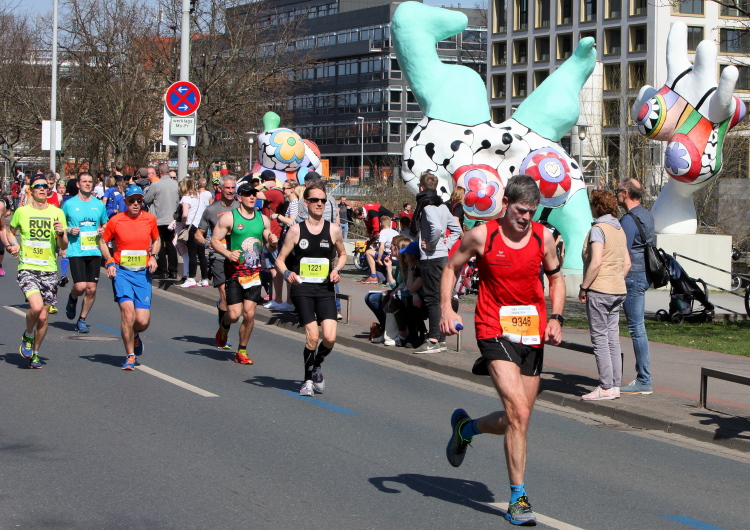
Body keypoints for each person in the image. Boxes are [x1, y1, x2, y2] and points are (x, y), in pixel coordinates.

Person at [439, 174, 565, 527]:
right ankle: (518, 498)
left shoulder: (543, 238)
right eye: (520, 210)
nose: (525, 217)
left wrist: (556, 318)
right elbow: (451, 267)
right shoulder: (482, 235)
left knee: (518, 419)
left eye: (531, 212)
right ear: (506, 204)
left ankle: (466, 429)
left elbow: (556, 278)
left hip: (532, 332)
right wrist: (447, 308)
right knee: (519, 412)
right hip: (493, 328)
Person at [275, 182, 347, 396]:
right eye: (315, 200)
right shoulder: (296, 230)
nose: (319, 204)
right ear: (305, 203)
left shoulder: (333, 230)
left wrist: (337, 270)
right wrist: (287, 274)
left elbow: (343, 254)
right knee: (313, 336)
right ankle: (307, 380)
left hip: (325, 289)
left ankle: (316, 365)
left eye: (323, 200)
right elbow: (280, 260)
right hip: (303, 289)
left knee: (330, 338)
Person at [211, 180, 278, 364]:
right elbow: (214, 240)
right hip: (234, 272)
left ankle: (242, 351)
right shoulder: (229, 218)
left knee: (249, 313)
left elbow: (269, 247)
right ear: (239, 198)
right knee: (234, 314)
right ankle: (224, 327)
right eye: (247, 194)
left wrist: (273, 243)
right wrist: (227, 253)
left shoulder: (262, 219)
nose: (251, 197)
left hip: (254, 273)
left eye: (254, 194)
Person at [5, 173, 68, 368]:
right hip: (27, 267)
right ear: (31, 190)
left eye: (45, 186)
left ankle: (35, 353)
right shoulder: (22, 212)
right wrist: (13, 245)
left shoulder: (57, 213)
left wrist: (61, 233)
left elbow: (63, 244)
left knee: (43, 317)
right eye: (38, 186)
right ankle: (28, 333)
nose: (42, 189)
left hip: (48, 268)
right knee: (36, 307)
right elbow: (9, 232)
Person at [99, 184, 161, 370]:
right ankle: (130, 356)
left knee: (142, 321)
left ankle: (134, 335)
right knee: (127, 313)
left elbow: (157, 240)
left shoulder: (149, 219)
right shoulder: (116, 220)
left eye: (139, 200)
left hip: (142, 274)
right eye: (132, 200)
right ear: (125, 201)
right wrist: (110, 261)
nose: (135, 204)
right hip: (122, 272)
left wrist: (153, 256)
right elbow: (103, 241)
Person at [579, 189, 631, 401]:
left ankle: (605, 386)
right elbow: (627, 263)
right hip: (618, 289)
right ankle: (615, 385)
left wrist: (584, 287)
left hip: (600, 290)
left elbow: (596, 262)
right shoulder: (619, 229)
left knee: (600, 338)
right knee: (613, 338)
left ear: (597, 206)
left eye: (592, 204)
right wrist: (615, 278)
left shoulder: (598, 229)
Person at [410, 171, 461, 353]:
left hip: (430, 257)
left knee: (432, 299)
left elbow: (437, 228)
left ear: (421, 188)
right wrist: (447, 245)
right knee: (442, 297)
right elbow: (456, 229)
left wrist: (431, 244)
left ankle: (433, 340)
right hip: (442, 257)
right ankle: (441, 339)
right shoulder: (443, 206)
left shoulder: (426, 206)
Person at [617, 178, 655, 395]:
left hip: (632, 276)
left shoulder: (629, 219)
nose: (616, 194)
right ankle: (643, 378)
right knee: (637, 327)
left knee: (636, 328)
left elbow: (623, 252)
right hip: (643, 274)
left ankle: (644, 379)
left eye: (617, 191)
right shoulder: (646, 214)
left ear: (625, 193)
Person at [62, 172, 110, 333]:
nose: (87, 184)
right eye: (84, 181)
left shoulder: (99, 204)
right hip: (76, 250)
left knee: (91, 289)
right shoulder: (69, 204)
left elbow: (105, 223)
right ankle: (73, 297)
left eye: (90, 181)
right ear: (78, 184)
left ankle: (82, 319)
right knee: (80, 286)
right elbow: (59, 225)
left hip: (94, 251)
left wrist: (103, 229)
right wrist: (69, 229)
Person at [196, 175, 239, 347]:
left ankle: (223, 315)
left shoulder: (241, 207)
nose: (230, 191)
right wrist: (208, 243)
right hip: (219, 257)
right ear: (220, 189)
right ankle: (224, 334)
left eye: (233, 188)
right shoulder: (211, 210)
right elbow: (198, 234)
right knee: (225, 297)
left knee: (236, 304)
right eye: (227, 188)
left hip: (237, 257)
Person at [144, 162, 179, 279]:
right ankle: (173, 271)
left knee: (159, 245)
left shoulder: (156, 185)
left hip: (159, 219)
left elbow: (147, 199)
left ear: (159, 172)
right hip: (172, 220)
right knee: (171, 244)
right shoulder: (175, 184)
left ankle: (162, 270)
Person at [178, 178, 212, 287]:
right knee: (201, 254)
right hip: (201, 227)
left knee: (192, 253)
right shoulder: (200, 196)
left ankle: (191, 278)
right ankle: (204, 279)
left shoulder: (186, 197)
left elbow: (185, 214)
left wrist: (183, 223)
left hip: (191, 226)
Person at [361, 214, 398, 284]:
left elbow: (382, 247)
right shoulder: (395, 232)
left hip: (389, 256)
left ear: (380, 224)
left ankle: (373, 276)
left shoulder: (383, 232)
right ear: (390, 223)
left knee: (368, 252)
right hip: (396, 256)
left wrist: (378, 259)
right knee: (373, 251)